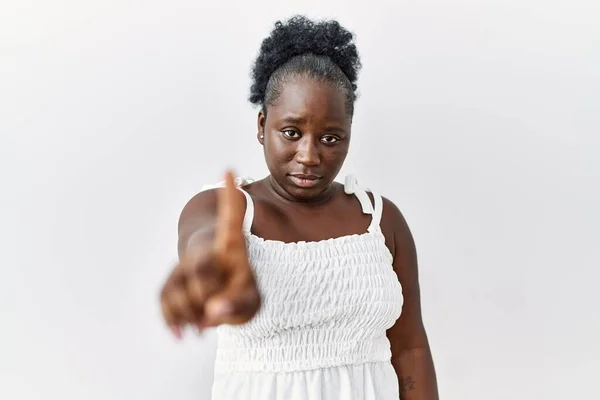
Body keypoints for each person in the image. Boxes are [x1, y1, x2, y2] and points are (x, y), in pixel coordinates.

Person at [160, 15, 439, 400]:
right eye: (291, 133)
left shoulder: (381, 219)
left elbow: (410, 348)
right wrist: (209, 271)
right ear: (262, 125)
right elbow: (204, 241)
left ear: (349, 134)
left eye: (330, 137)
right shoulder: (226, 209)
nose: (309, 155)